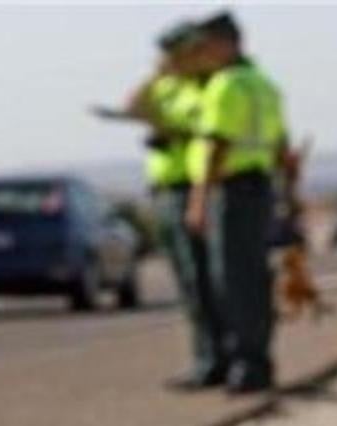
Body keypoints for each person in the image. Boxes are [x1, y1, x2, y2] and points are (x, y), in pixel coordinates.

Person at [184, 12, 287, 394]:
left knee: (232, 280)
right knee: (254, 279)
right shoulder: (263, 85)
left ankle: (246, 364)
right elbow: (280, 145)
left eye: (206, 46)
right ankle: (256, 359)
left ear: (225, 44)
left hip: (232, 190)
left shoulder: (225, 86)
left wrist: (198, 201)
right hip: (259, 187)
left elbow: (217, 145)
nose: (202, 54)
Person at [121, 22, 228, 391]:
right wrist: (156, 76)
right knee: (188, 281)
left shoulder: (202, 89)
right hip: (164, 190)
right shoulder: (166, 86)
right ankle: (208, 357)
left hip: (190, 187)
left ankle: (215, 360)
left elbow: (210, 134)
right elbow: (132, 106)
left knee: (202, 280)